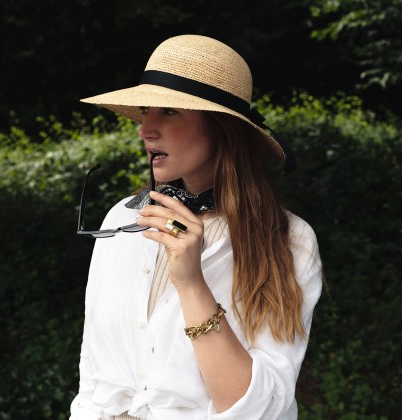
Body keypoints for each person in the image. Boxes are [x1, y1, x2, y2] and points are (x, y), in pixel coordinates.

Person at [70, 34, 322, 420]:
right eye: (145, 110)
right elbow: (93, 374)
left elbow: (260, 410)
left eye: (169, 112)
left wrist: (191, 283)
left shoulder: (289, 241)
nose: (144, 129)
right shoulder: (123, 217)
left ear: (223, 128)